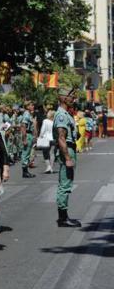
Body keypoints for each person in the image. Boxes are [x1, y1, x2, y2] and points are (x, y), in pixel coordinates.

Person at [53, 87, 82, 228]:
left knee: (66, 183)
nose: (73, 99)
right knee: (65, 185)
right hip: (67, 151)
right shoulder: (62, 115)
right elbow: (61, 138)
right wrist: (68, 158)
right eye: (71, 96)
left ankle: (64, 217)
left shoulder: (66, 114)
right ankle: (63, 219)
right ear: (63, 98)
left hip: (70, 148)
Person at [20, 101, 37, 178]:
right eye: (31, 105)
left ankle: (26, 170)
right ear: (27, 106)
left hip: (29, 134)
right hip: (27, 134)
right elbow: (23, 126)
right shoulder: (26, 114)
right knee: (26, 153)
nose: (33, 106)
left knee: (28, 153)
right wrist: (24, 139)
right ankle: (25, 172)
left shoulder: (29, 114)